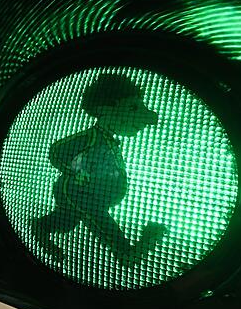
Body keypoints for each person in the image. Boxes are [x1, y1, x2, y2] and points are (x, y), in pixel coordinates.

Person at [31, 73, 165, 266]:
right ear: (105, 109)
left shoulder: (109, 141)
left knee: (67, 221)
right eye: (133, 107)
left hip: (92, 197)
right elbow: (57, 152)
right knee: (114, 240)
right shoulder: (91, 137)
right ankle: (141, 244)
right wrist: (80, 172)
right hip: (85, 198)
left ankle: (40, 228)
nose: (149, 118)